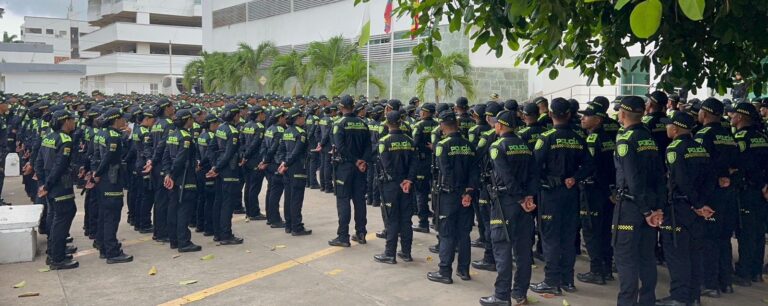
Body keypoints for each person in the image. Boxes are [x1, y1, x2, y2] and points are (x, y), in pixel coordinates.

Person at [530, 98, 593, 295]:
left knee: (550, 238)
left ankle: (551, 281)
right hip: (571, 193)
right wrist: (575, 178)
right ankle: (568, 280)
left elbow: (533, 167)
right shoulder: (578, 137)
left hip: (551, 194)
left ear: (550, 114)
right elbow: (590, 165)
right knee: (568, 237)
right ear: (569, 114)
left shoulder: (545, 138)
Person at [478, 110, 539, 306]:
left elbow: (506, 177)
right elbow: (533, 174)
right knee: (523, 250)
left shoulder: (497, 146)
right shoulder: (524, 145)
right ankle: (520, 293)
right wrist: (528, 197)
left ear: (501, 125)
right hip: (524, 203)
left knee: (502, 247)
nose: (494, 126)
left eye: (496, 123)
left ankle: (501, 296)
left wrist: (521, 199)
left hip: (506, 202)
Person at [613, 96, 665, 306]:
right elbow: (661, 176)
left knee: (625, 258)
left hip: (632, 207)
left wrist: (646, 211)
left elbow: (632, 180)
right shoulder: (649, 139)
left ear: (623, 114)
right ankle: (647, 301)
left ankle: (626, 302)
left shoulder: (625, 140)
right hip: (651, 206)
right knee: (646, 258)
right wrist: (657, 209)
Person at [427, 110, 479, 284]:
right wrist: (468, 192)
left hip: (449, 195)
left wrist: (459, 192)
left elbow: (446, 172)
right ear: (457, 125)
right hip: (467, 196)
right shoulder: (469, 145)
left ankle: (444, 272)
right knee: (464, 234)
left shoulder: (442, 145)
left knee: (447, 233)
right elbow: (474, 172)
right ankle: (463, 270)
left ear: (442, 126)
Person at [694, 98, 739, 296]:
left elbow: (701, 164)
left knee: (708, 239)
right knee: (723, 237)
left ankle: (709, 284)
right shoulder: (728, 134)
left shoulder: (703, 134)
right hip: (728, 193)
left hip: (710, 193)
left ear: (704, 113)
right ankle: (725, 281)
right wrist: (726, 176)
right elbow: (737, 163)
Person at [576, 102, 617, 285]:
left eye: (587, 115)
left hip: (594, 191)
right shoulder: (609, 137)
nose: (582, 118)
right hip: (608, 190)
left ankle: (596, 271)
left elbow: (591, 166)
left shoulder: (592, 139)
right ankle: (607, 269)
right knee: (605, 231)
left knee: (592, 231)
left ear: (598, 119)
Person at [730, 102, 768, 286]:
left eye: (735, 114)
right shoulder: (762, 137)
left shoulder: (740, 139)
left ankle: (744, 272)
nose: (732, 117)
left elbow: (744, 165)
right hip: (763, 191)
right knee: (759, 231)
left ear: (741, 117)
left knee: (746, 232)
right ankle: (756, 271)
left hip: (747, 190)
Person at [373, 110, 417, 264]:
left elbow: (387, 166)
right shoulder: (410, 141)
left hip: (391, 186)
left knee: (392, 220)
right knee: (406, 220)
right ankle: (406, 252)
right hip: (407, 185)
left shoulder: (384, 141)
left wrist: (399, 181)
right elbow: (414, 163)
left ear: (387, 123)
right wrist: (408, 180)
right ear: (401, 122)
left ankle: (389, 253)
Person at [37, 109, 79, 270]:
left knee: (54, 217)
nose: (74, 122)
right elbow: (60, 166)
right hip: (60, 185)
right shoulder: (65, 139)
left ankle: (55, 251)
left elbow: (39, 162)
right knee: (62, 218)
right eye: (72, 119)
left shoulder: (47, 137)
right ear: (65, 121)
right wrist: (47, 185)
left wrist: (43, 183)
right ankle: (57, 258)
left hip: (50, 185)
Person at [328, 95, 372, 247]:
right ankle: (361, 233)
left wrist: (355, 161)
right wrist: (362, 161)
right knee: (359, 201)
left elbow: (340, 147)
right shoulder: (362, 123)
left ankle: (343, 236)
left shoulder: (338, 124)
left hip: (345, 167)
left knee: (343, 200)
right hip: (360, 168)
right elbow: (369, 146)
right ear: (353, 107)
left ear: (341, 108)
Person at [94, 108, 133, 264]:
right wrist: (98, 173)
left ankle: (104, 246)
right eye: (123, 118)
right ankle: (112, 252)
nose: (125, 121)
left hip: (103, 180)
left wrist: (95, 173)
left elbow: (96, 155)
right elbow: (108, 158)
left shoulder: (102, 134)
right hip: (112, 180)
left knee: (104, 215)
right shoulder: (114, 137)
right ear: (116, 120)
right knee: (112, 216)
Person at [163, 109, 202, 252]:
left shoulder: (172, 135)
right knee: (184, 210)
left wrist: (167, 173)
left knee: (173, 208)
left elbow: (166, 156)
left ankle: (174, 240)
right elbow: (180, 159)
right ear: (187, 120)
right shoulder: (186, 137)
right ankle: (184, 242)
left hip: (173, 176)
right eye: (191, 118)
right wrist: (172, 174)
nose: (193, 120)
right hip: (184, 177)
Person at [206, 104, 244, 245]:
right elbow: (228, 154)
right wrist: (217, 167)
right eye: (238, 114)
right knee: (227, 205)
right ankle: (226, 235)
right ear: (234, 116)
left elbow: (211, 149)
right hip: (229, 170)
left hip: (220, 170)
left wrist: (214, 166)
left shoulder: (220, 128)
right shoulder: (233, 132)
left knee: (218, 202)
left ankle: (217, 233)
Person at [277, 108, 313, 236]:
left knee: (288, 197)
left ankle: (289, 225)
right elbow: (297, 152)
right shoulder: (301, 133)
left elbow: (281, 150)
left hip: (287, 168)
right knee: (296, 198)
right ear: (297, 118)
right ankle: (296, 227)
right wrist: (286, 163)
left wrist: (283, 162)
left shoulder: (286, 132)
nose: (304, 118)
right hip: (297, 168)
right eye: (302, 116)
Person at [411, 103, 438, 233]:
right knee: (435, 192)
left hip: (422, 162)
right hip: (436, 161)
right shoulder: (438, 124)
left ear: (425, 112)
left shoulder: (419, 125)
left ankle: (423, 223)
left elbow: (414, 143)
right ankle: (436, 221)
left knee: (421, 192)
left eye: (422, 111)